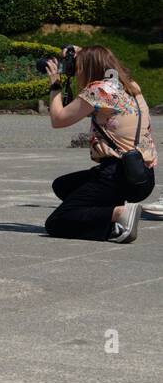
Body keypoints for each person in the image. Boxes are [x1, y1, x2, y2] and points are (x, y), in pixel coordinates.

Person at [43, 46, 156, 243]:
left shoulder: (100, 90)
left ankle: (118, 215)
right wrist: (83, 51)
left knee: (57, 221)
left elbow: (58, 120)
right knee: (63, 186)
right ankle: (112, 211)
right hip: (142, 174)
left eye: (78, 67)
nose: (76, 71)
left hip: (116, 174)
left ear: (88, 67)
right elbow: (100, 57)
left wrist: (54, 86)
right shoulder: (130, 86)